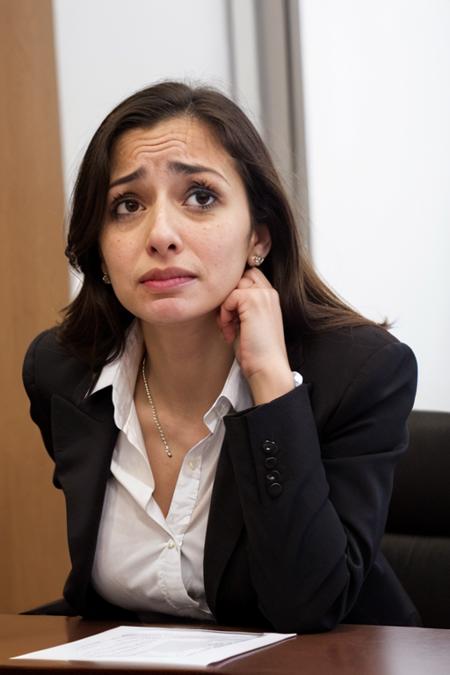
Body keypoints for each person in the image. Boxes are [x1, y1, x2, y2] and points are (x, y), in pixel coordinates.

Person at [23, 81, 419, 632]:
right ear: (100, 249)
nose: (160, 234)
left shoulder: (360, 374)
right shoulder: (62, 373)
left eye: (200, 197)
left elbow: (309, 607)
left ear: (258, 235)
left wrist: (271, 385)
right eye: (128, 205)